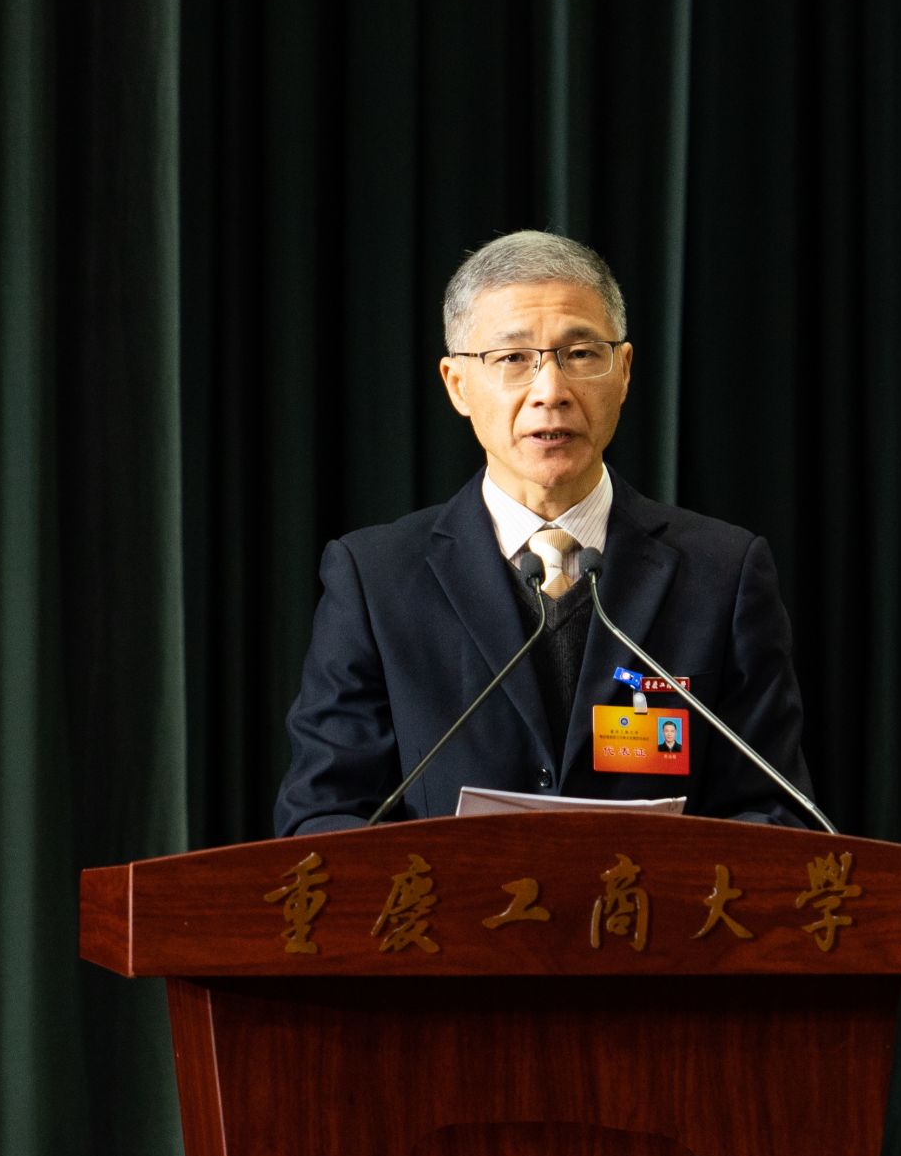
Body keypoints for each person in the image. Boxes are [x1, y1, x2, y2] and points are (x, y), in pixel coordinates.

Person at [274, 231, 815, 835]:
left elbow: (775, 816)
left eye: (580, 354)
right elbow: (323, 817)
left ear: (624, 371)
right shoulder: (376, 578)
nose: (551, 392)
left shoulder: (722, 572)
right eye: (513, 359)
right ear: (457, 384)